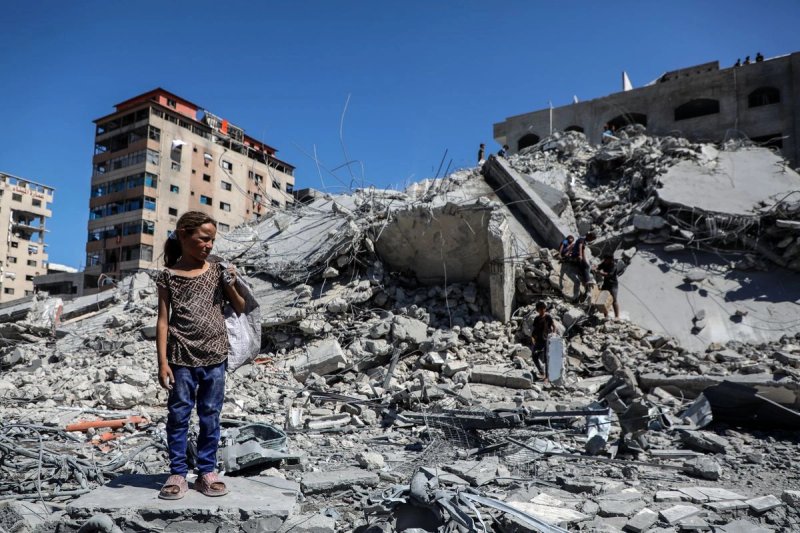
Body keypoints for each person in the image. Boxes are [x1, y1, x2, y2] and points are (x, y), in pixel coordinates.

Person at [155, 211, 245, 500]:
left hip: (215, 356)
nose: (209, 245)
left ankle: (207, 471)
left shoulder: (217, 270)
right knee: (179, 415)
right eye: (204, 238)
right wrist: (162, 363)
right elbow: (163, 321)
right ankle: (178, 473)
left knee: (210, 415)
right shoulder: (168, 276)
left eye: (212, 240)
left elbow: (240, 307)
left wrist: (231, 283)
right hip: (181, 358)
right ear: (184, 234)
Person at [531, 301, 555, 379]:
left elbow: (554, 326)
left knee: (546, 358)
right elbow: (534, 330)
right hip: (538, 341)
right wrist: (533, 338)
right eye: (540, 309)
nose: (542, 311)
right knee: (534, 356)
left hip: (547, 341)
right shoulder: (536, 319)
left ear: (545, 309)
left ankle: (547, 377)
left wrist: (553, 335)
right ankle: (542, 372)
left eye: (543, 309)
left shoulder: (548, 317)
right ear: (537, 310)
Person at [594, 255, 620, 319]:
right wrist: (595, 268)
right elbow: (599, 266)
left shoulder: (614, 266)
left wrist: (599, 272)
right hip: (605, 284)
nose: (604, 261)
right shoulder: (605, 263)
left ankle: (617, 316)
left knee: (614, 300)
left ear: (610, 260)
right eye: (604, 259)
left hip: (613, 285)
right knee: (603, 299)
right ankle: (606, 316)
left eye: (606, 259)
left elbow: (608, 275)